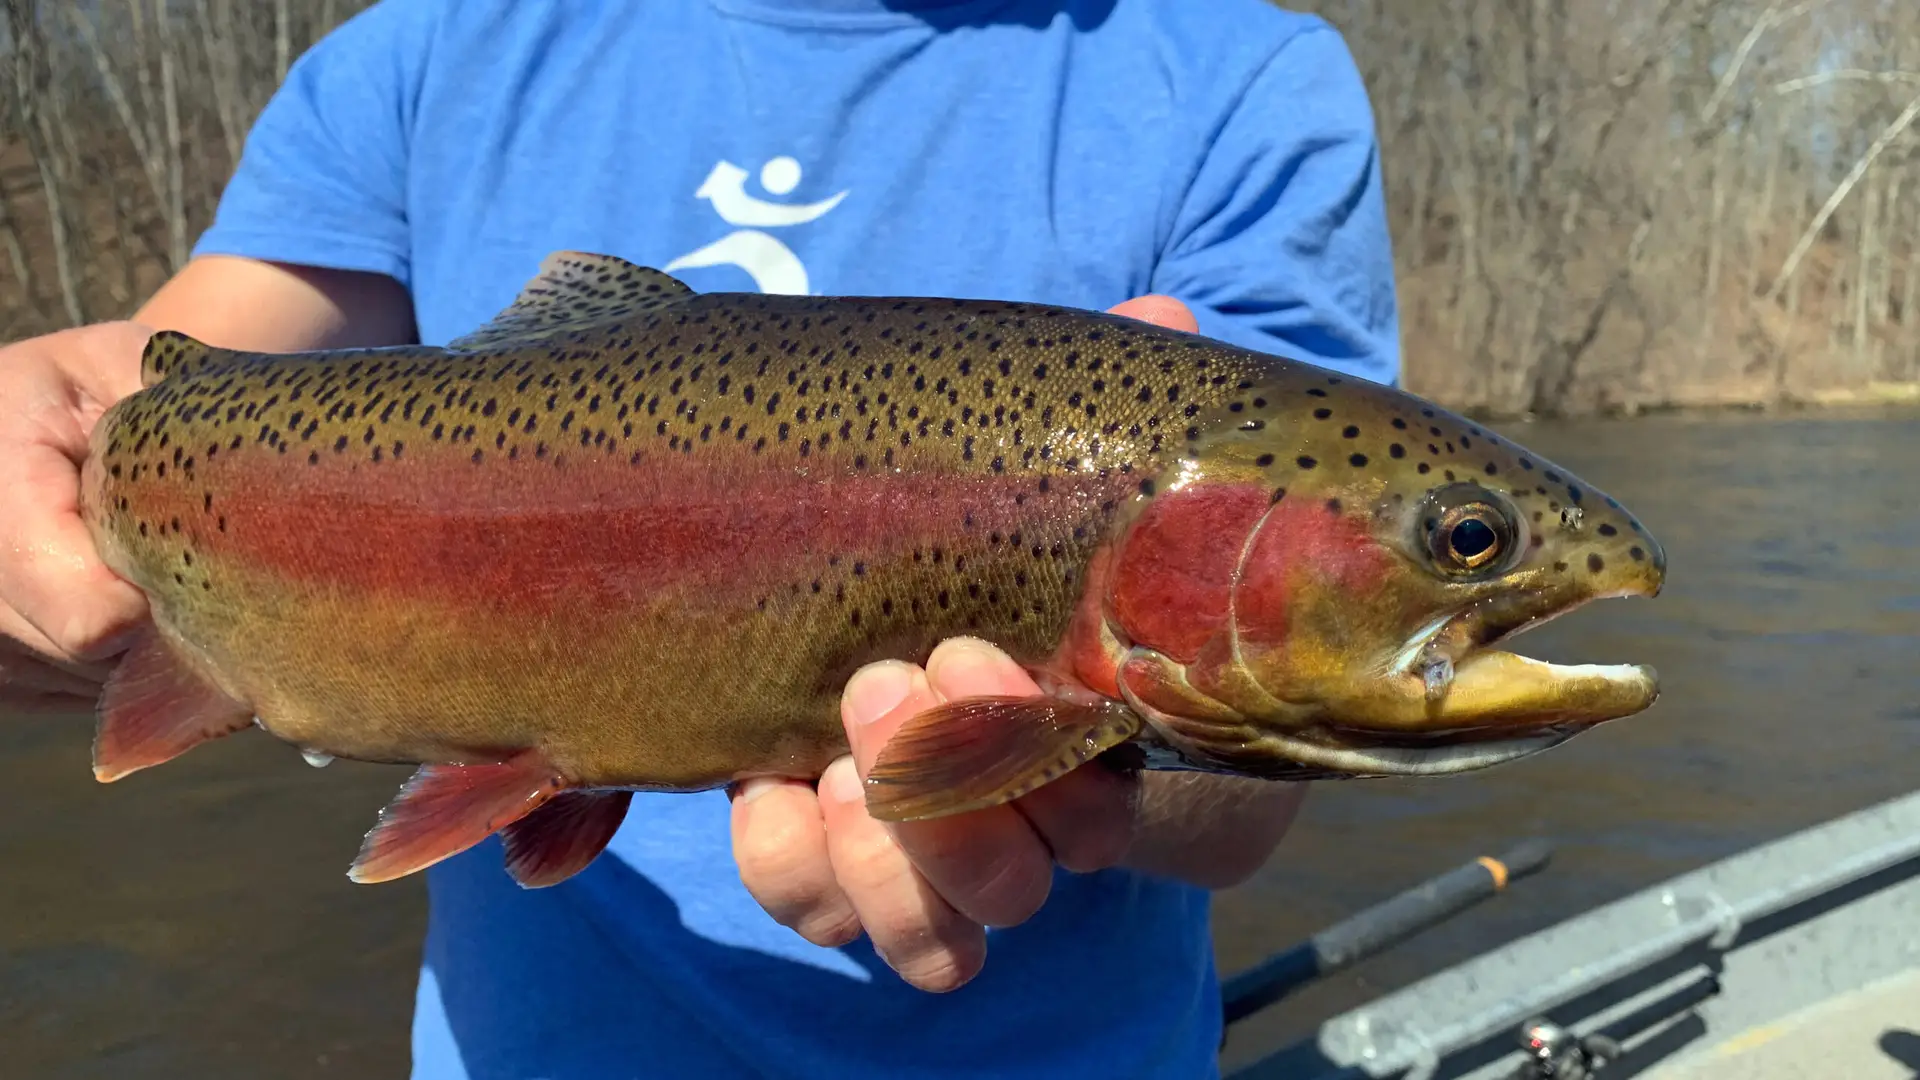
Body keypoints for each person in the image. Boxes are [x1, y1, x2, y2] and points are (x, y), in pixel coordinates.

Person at [0, 0, 1400, 1075]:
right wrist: (42, 458)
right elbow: (165, 396)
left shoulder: (1236, 81)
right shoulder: (436, 49)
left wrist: (1109, 754)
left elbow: (1262, 770)